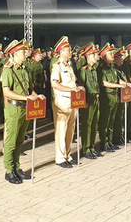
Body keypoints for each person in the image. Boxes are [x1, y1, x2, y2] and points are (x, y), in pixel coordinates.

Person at [1, 39, 44, 184]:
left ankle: (17, 167)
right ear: (14, 54)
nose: (25, 54)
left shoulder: (25, 69)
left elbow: (28, 89)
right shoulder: (8, 70)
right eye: (22, 52)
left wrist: (36, 95)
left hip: (25, 108)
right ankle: (9, 170)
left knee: (20, 140)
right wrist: (25, 98)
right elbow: (7, 92)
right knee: (11, 141)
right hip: (14, 108)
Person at [50, 36, 82, 168]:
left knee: (70, 129)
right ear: (61, 51)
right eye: (68, 50)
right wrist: (71, 89)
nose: (70, 52)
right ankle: (60, 157)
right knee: (61, 129)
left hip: (72, 101)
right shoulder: (57, 66)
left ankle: (68, 155)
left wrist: (77, 87)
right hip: (62, 101)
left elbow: (72, 82)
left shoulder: (69, 66)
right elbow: (54, 84)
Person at [98, 43, 125, 153]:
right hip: (106, 97)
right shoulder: (101, 68)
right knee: (105, 121)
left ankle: (109, 142)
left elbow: (117, 79)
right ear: (104, 56)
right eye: (110, 53)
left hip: (114, 95)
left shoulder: (113, 67)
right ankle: (104, 143)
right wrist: (118, 86)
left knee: (111, 121)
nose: (112, 55)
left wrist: (124, 83)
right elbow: (104, 82)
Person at [77, 43, 101, 159]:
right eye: (94, 55)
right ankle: (86, 149)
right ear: (88, 57)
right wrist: (84, 101)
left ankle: (91, 147)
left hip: (96, 98)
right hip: (88, 99)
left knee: (94, 124)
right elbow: (82, 86)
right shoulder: (83, 70)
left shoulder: (94, 69)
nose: (96, 57)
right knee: (87, 124)